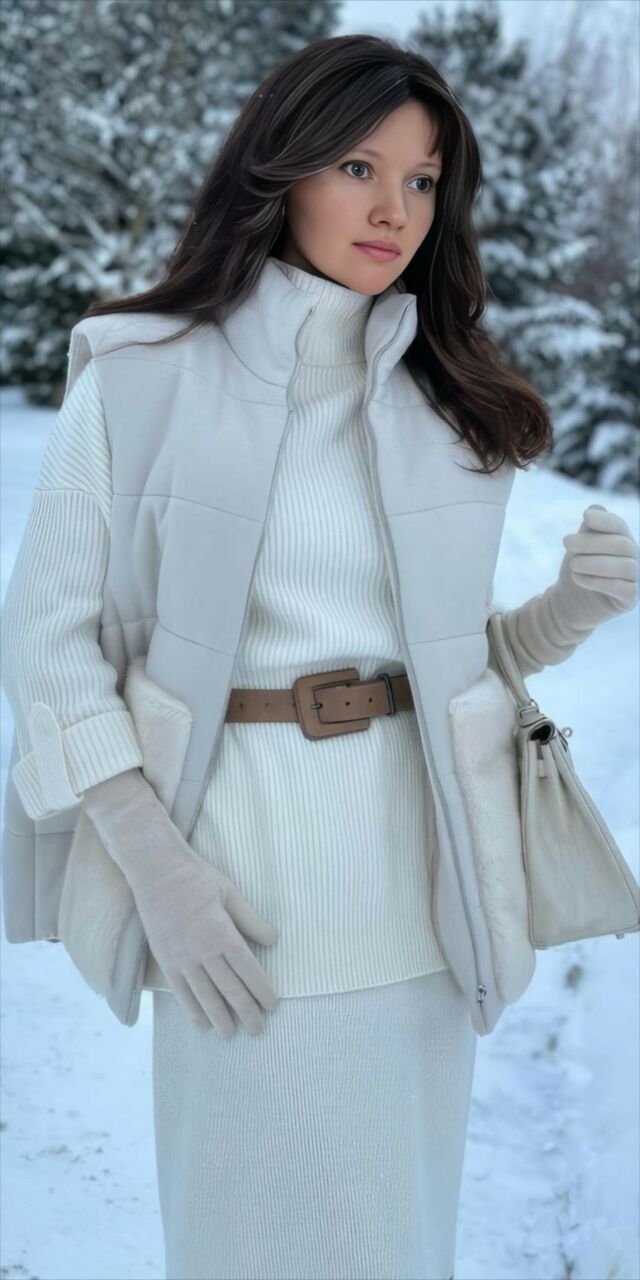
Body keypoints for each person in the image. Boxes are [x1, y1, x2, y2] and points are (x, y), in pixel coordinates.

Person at [2, 33, 637, 1280]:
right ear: (280, 168)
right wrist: (159, 873)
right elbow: (46, 641)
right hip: (236, 903)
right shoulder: (138, 373)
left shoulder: (442, 403)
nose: (394, 208)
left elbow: (455, 668)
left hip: (424, 898)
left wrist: (568, 609)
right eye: (358, 166)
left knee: (399, 1244)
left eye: (422, 179)